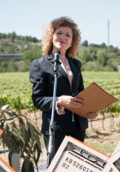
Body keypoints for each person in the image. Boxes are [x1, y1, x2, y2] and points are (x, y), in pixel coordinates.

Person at [29, 17, 98, 157]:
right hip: (56, 127)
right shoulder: (39, 64)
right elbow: (38, 100)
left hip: (78, 125)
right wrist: (60, 100)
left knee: (75, 168)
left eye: (68, 35)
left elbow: (80, 93)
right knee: (56, 169)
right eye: (59, 33)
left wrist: (89, 110)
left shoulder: (76, 64)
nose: (63, 37)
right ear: (51, 36)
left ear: (72, 41)